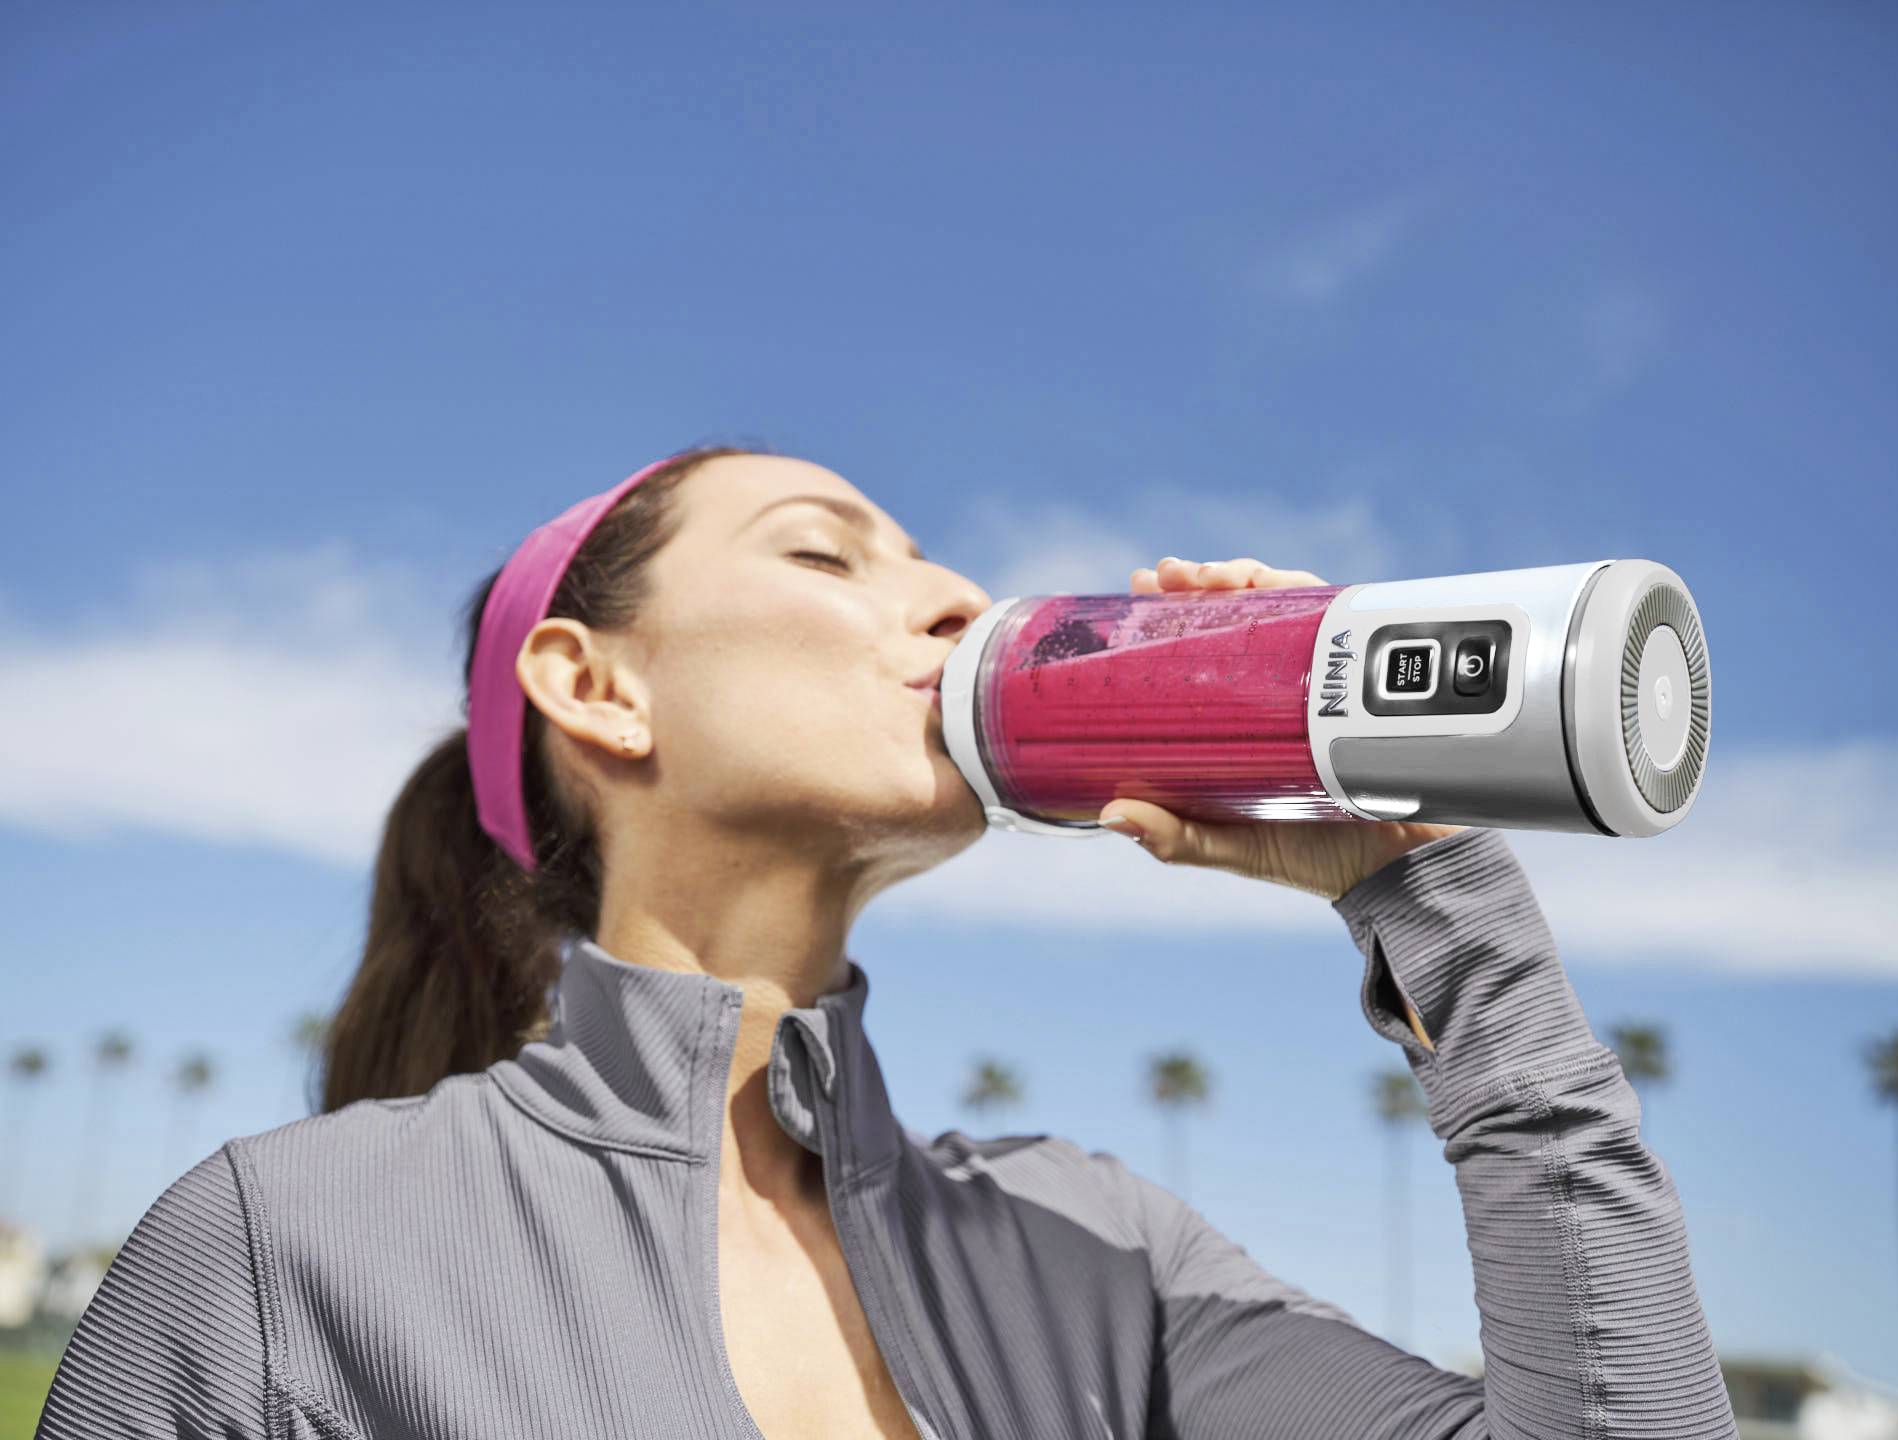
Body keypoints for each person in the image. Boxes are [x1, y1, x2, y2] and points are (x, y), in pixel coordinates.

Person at [36, 446, 1738, 1438]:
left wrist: (1429, 892)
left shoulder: (1098, 1249)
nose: (950, 602)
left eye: (932, 560)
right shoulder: (289, 1251)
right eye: (828, 554)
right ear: (594, 685)